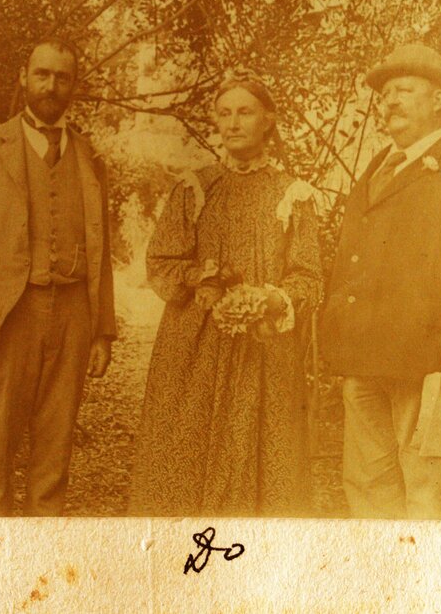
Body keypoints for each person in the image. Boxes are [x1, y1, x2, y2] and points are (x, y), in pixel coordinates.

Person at [320, 44, 441, 519]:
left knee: (424, 489)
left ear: (437, 100)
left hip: (425, 359)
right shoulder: (375, 169)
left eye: (404, 90)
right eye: (385, 93)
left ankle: (422, 586)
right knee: (367, 485)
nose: (390, 101)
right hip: (364, 357)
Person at [0, 38, 115, 517]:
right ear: (24, 77)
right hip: (8, 317)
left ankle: (41, 569)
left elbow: (102, 249)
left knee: (54, 460)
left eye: (62, 77)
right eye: (42, 74)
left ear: (74, 85)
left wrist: (101, 331)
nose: (51, 86)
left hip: (73, 317)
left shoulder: (90, 158)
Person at [128, 71, 323, 517]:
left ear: (267, 120)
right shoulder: (195, 188)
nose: (234, 123)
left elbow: (308, 276)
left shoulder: (291, 195)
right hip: (193, 346)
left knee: (262, 455)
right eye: (225, 113)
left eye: (245, 112)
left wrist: (270, 300)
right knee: (184, 449)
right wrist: (202, 278)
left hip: (264, 349)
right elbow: (160, 262)